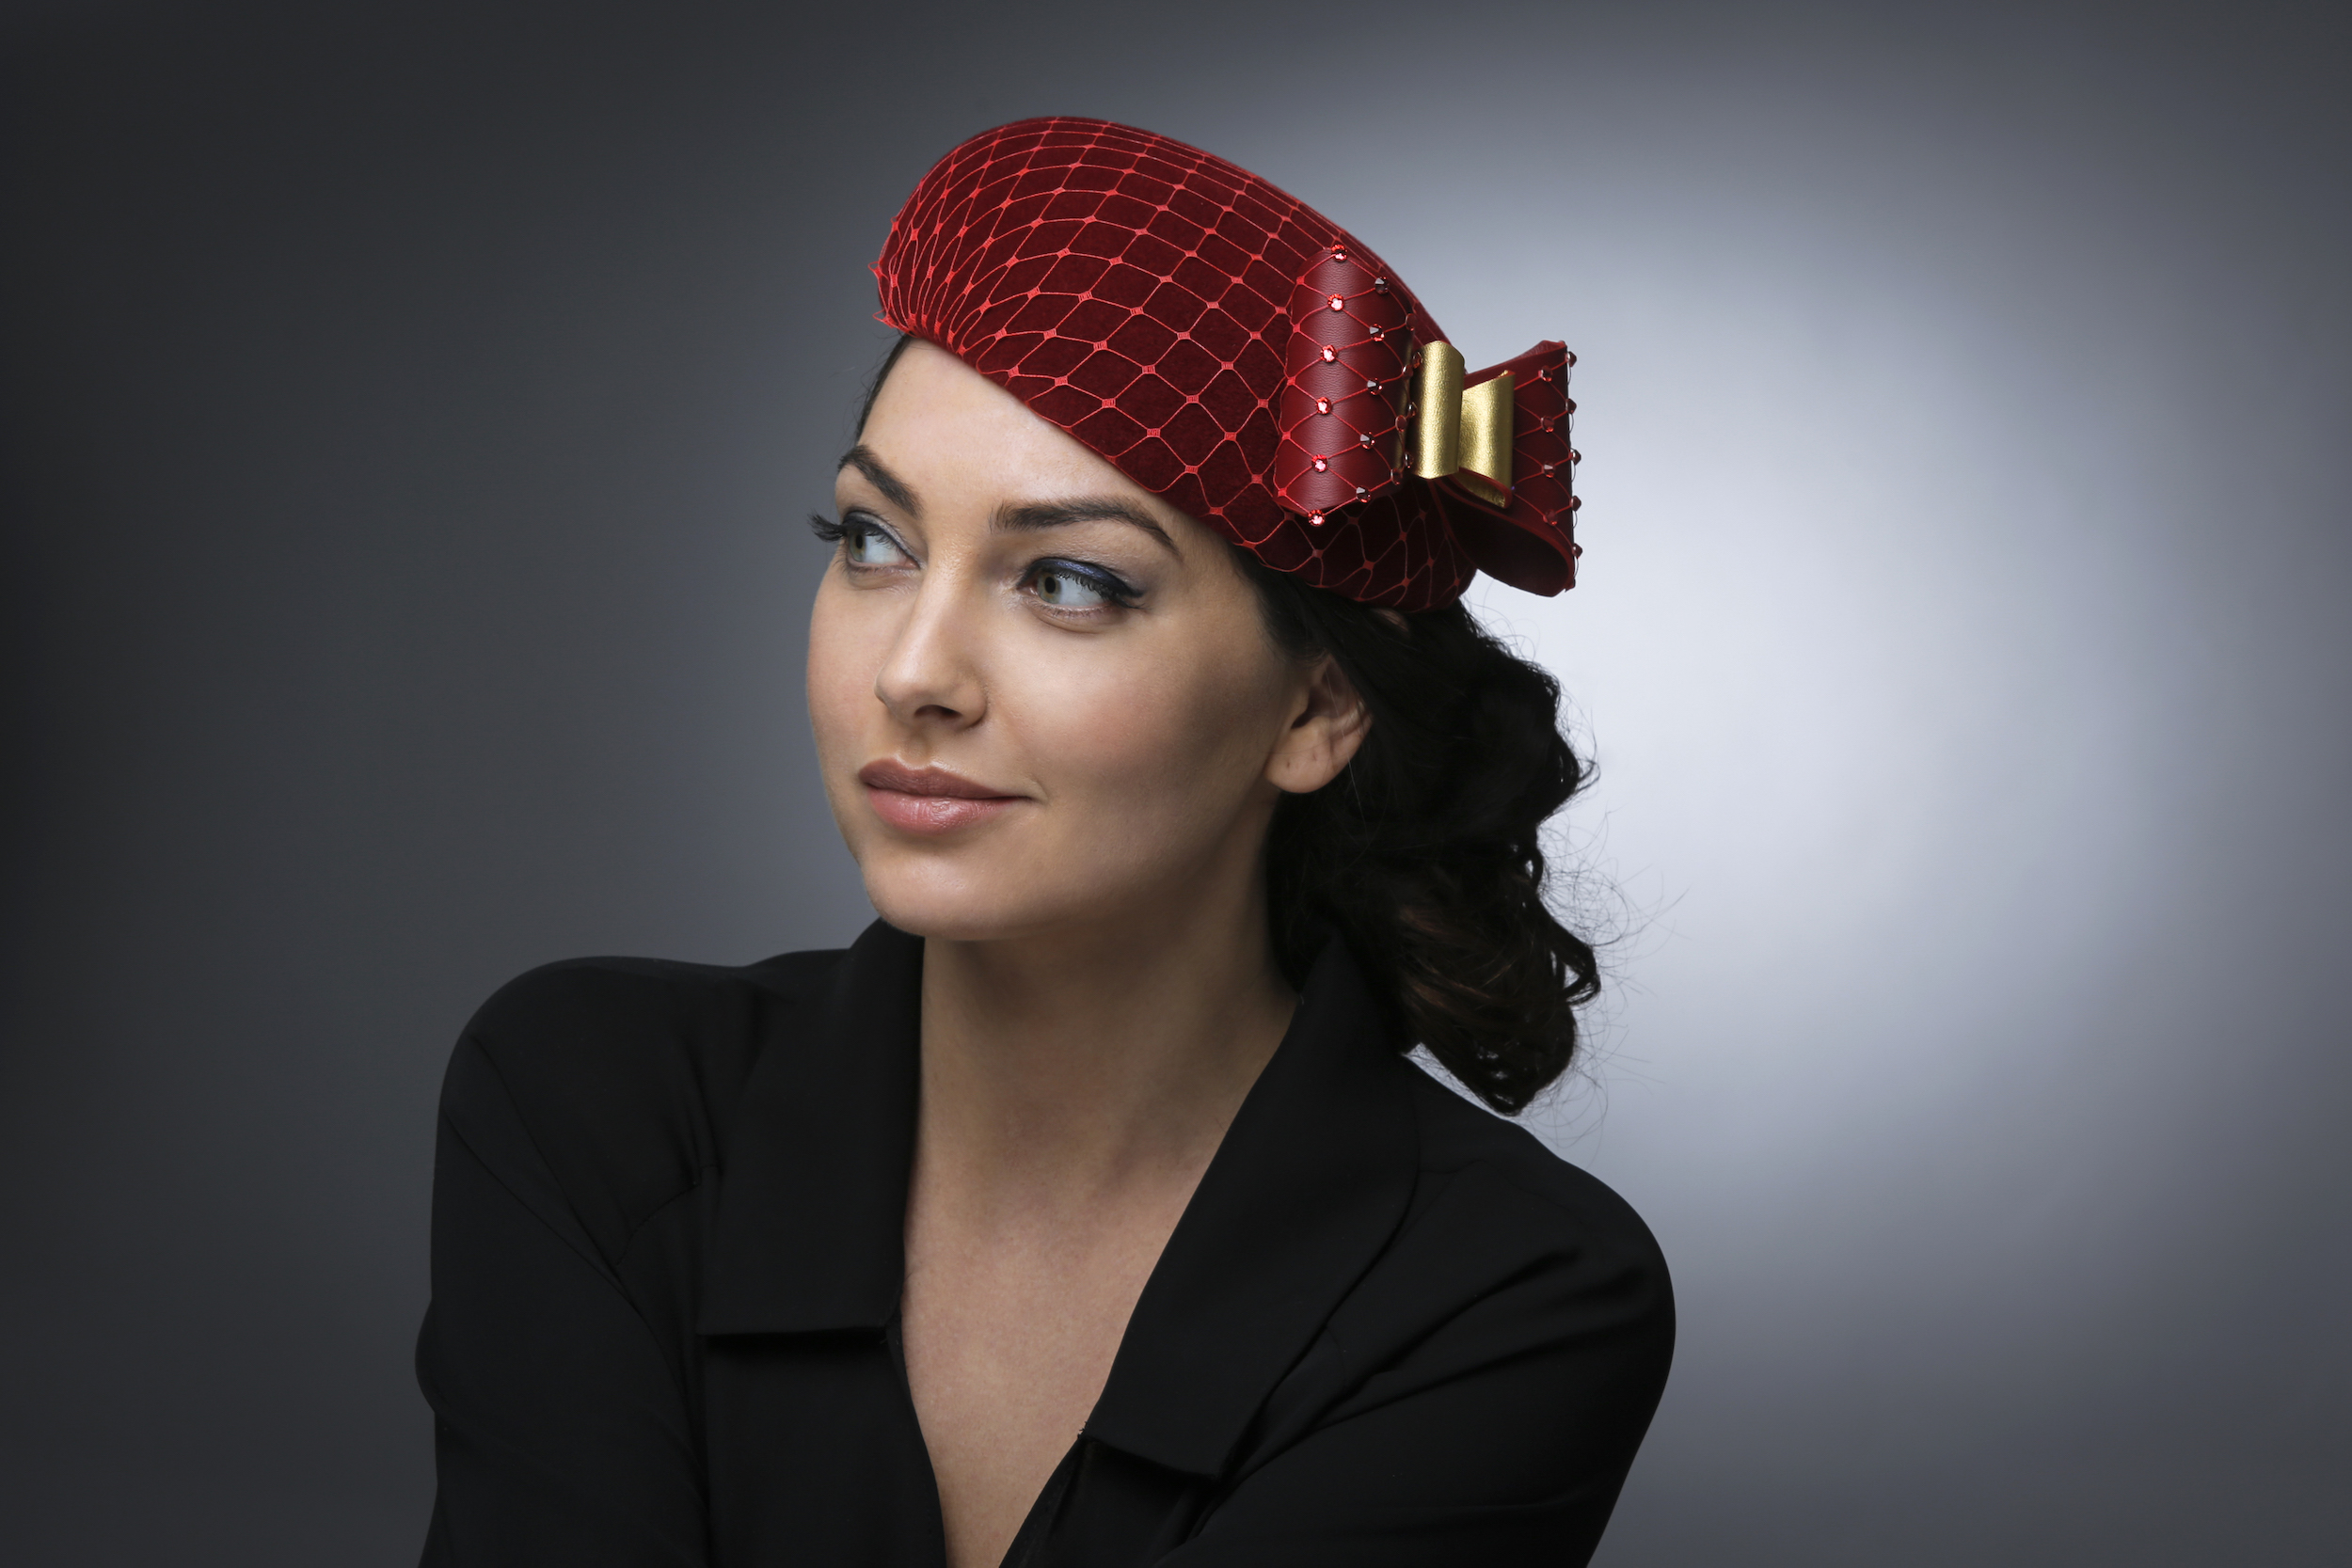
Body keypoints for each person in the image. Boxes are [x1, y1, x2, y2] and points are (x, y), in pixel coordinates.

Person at [415, 117, 1672, 1568]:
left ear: (1319, 707)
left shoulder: (1516, 1291)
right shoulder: (595, 1104)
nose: (914, 673)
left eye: (1067, 580)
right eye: (873, 542)